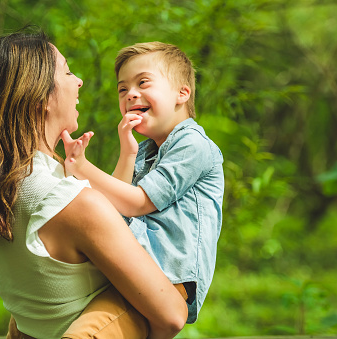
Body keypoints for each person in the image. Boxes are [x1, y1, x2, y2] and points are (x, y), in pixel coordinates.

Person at [0, 30, 187, 339]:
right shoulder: (69, 201)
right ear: (39, 97)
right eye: (67, 71)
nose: (78, 81)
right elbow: (173, 316)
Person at [62, 41, 225, 325]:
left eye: (143, 83)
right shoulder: (148, 151)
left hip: (169, 278)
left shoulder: (193, 144)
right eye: (122, 89)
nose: (130, 94)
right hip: (138, 269)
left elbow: (138, 202)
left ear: (182, 93)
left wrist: (84, 168)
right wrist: (128, 152)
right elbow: (113, 210)